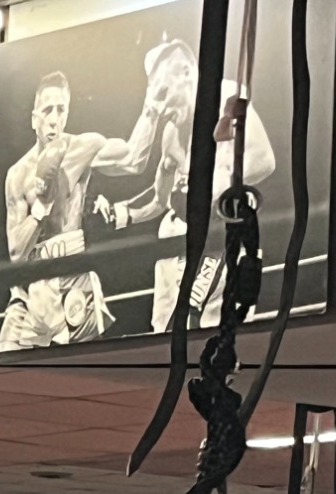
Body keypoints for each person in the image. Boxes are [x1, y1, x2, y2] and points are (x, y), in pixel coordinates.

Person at [96, 37, 275, 334]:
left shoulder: (226, 99)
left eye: (164, 93)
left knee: (207, 327)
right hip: (176, 241)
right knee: (164, 331)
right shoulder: (172, 134)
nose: (162, 107)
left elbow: (264, 159)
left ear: (186, 73)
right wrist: (118, 214)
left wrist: (212, 188)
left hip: (219, 235)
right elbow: (161, 199)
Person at [0, 72, 161, 350]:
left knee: (81, 363)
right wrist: (41, 208)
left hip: (72, 274)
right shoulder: (17, 176)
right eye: (47, 110)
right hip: (30, 287)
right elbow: (15, 253)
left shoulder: (83, 148)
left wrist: (153, 106)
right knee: (5, 360)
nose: (54, 118)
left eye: (61, 110)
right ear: (34, 118)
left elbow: (134, 159)